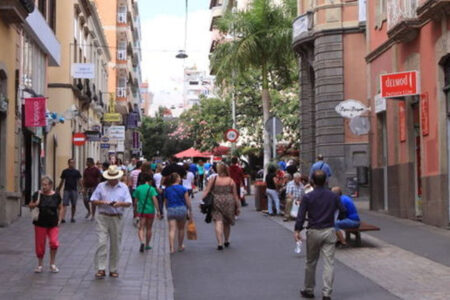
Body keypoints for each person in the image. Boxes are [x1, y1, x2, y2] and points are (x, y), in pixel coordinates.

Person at [294, 170, 346, 300]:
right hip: (329, 230)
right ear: (326, 181)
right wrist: (335, 218)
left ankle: (309, 289)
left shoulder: (308, 197)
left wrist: (297, 230)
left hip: (314, 231)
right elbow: (343, 211)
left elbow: (300, 215)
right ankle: (327, 293)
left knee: (311, 262)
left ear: (312, 181)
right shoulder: (333, 196)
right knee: (329, 263)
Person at [90, 165, 132, 279]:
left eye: (114, 177)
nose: (112, 180)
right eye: (110, 177)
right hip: (103, 216)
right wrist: (103, 202)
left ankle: (113, 268)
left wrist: (119, 204)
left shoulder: (123, 187)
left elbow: (129, 202)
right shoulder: (101, 186)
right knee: (101, 242)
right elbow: (93, 200)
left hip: (117, 217)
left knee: (115, 244)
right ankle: (101, 268)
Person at [202, 163, 241, 250]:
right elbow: (235, 195)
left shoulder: (213, 179)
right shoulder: (230, 180)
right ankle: (226, 240)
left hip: (216, 201)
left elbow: (206, 191)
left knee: (218, 221)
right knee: (227, 222)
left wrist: (202, 201)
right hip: (229, 201)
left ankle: (220, 243)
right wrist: (238, 207)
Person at [29, 176, 63, 273]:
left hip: (53, 223)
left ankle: (52, 263)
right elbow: (30, 205)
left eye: (45, 185)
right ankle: (40, 264)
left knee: (54, 242)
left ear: (51, 185)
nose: (43, 187)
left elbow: (60, 208)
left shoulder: (56, 195)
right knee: (40, 245)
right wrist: (35, 204)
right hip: (40, 223)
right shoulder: (37, 194)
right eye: (42, 185)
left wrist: (59, 220)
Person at [163, 173, 192, 254]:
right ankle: (180, 245)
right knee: (181, 229)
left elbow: (165, 201)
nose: (180, 178)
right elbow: (187, 201)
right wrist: (189, 210)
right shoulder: (183, 189)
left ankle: (171, 248)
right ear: (177, 179)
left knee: (172, 229)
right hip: (182, 209)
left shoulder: (167, 189)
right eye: (179, 177)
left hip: (171, 209)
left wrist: (167, 208)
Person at [133, 173, 160, 252]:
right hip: (150, 211)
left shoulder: (138, 188)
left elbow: (135, 202)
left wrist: (135, 210)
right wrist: (158, 210)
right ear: (150, 181)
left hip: (141, 211)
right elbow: (155, 200)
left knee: (141, 228)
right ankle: (147, 245)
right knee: (149, 228)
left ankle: (142, 241)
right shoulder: (151, 189)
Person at [56, 158, 82, 223]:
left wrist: (82, 188)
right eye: (71, 162)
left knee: (74, 204)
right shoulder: (65, 171)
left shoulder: (77, 172)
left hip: (74, 190)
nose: (72, 164)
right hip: (66, 190)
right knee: (64, 204)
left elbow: (79, 181)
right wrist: (59, 188)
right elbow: (62, 181)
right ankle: (63, 218)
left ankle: (72, 217)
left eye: (73, 163)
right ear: (68, 163)